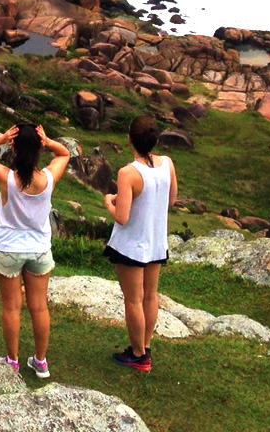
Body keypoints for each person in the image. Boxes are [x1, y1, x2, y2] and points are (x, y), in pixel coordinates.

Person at [0, 123, 71, 378]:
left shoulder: (7, 177)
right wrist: (48, 141)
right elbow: (65, 154)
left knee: (11, 307)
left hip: (8, 249)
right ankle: (40, 362)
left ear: (14, 148)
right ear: (38, 148)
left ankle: (12, 360)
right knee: (39, 307)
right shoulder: (48, 179)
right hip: (39, 250)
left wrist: (1, 138)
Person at [102, 114, 177, 373]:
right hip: (156, 241)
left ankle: (138, 355)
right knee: (150, 296)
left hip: (132, 245)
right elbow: (171, 201)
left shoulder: (128, 173)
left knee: (133, 300)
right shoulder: (167, 163)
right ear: (155, 140)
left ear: (129, 139)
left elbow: (122, 217)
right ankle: (145, 346)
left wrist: (109, 203)